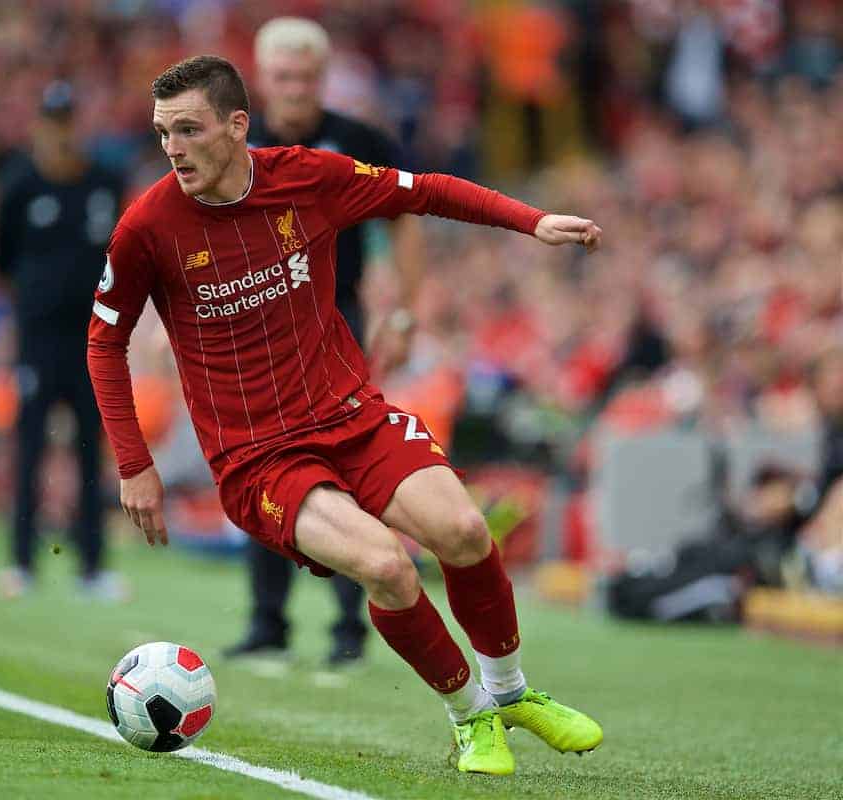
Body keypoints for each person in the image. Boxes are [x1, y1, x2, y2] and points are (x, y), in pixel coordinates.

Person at [88, 55, 604, 776]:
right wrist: (135, 463)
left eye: (188, 129)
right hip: (258, 457)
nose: (172, 148)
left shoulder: (307, 176)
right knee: (388, 568)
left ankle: (511, 692)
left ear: (237, 127)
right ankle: (470, 718)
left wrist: (533, 220)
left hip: (350, 415)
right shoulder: (148, 226)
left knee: (463, 530)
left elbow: (423, 193)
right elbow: (104, 340)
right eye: (162, 132)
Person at [224, 17, 425, 668]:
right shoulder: (234, 145)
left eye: (306, 77)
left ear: (323, 76)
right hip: (252, 330)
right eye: (282, 77)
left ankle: (350, 629)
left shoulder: (357, 141)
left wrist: (403, 313)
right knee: (261, 468)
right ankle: (267, 624)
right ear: (261, 79)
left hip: (336, 329)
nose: (294, 89)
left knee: (342, 470)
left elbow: (406, 218)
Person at [0, 81, 128, 602]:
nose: (60, 131)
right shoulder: (20, 184)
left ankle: (91, 566)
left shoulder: (104, 183)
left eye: (67, 120)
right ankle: (22, 561)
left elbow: (121, 254)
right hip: (37, 339)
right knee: (28, 448)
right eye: (52, 120)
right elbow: (1, 261)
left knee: (89, 447)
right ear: (39, 126)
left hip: (93, 341)